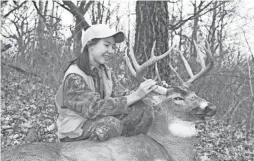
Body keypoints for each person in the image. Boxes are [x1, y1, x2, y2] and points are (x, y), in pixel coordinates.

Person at [55, 24, 158, 142]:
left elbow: (122, 94)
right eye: (106, 45)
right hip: (75, 132)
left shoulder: (105, 71)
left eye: (113, 47)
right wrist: (135, 96)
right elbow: (93, 109)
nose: (111, 51)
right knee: (111, 125)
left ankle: (129, 149)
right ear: (90, 45)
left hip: (97, 120)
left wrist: (150, 95)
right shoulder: (74, 76)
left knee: (143, 107)